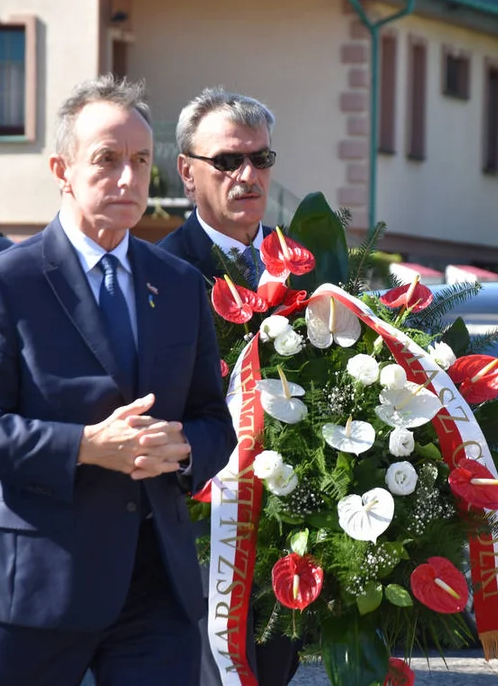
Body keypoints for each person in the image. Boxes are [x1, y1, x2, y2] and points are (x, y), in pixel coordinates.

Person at [0, 75, 235, 686]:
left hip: (155, 589)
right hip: (30, 587)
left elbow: (212, 420)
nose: (128, 179)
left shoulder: (178, 286)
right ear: (62, 168)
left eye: (141, 161)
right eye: (107, 160)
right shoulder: (2, 282)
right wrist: (86, 446)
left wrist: (181, 453)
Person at [157, 87, 301, 686]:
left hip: (292, 529)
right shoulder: (161, 273)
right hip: (202, 534)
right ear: (188, 174)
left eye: (260, 160)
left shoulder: (304, 264)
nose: (248, 175)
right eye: (227, 162)